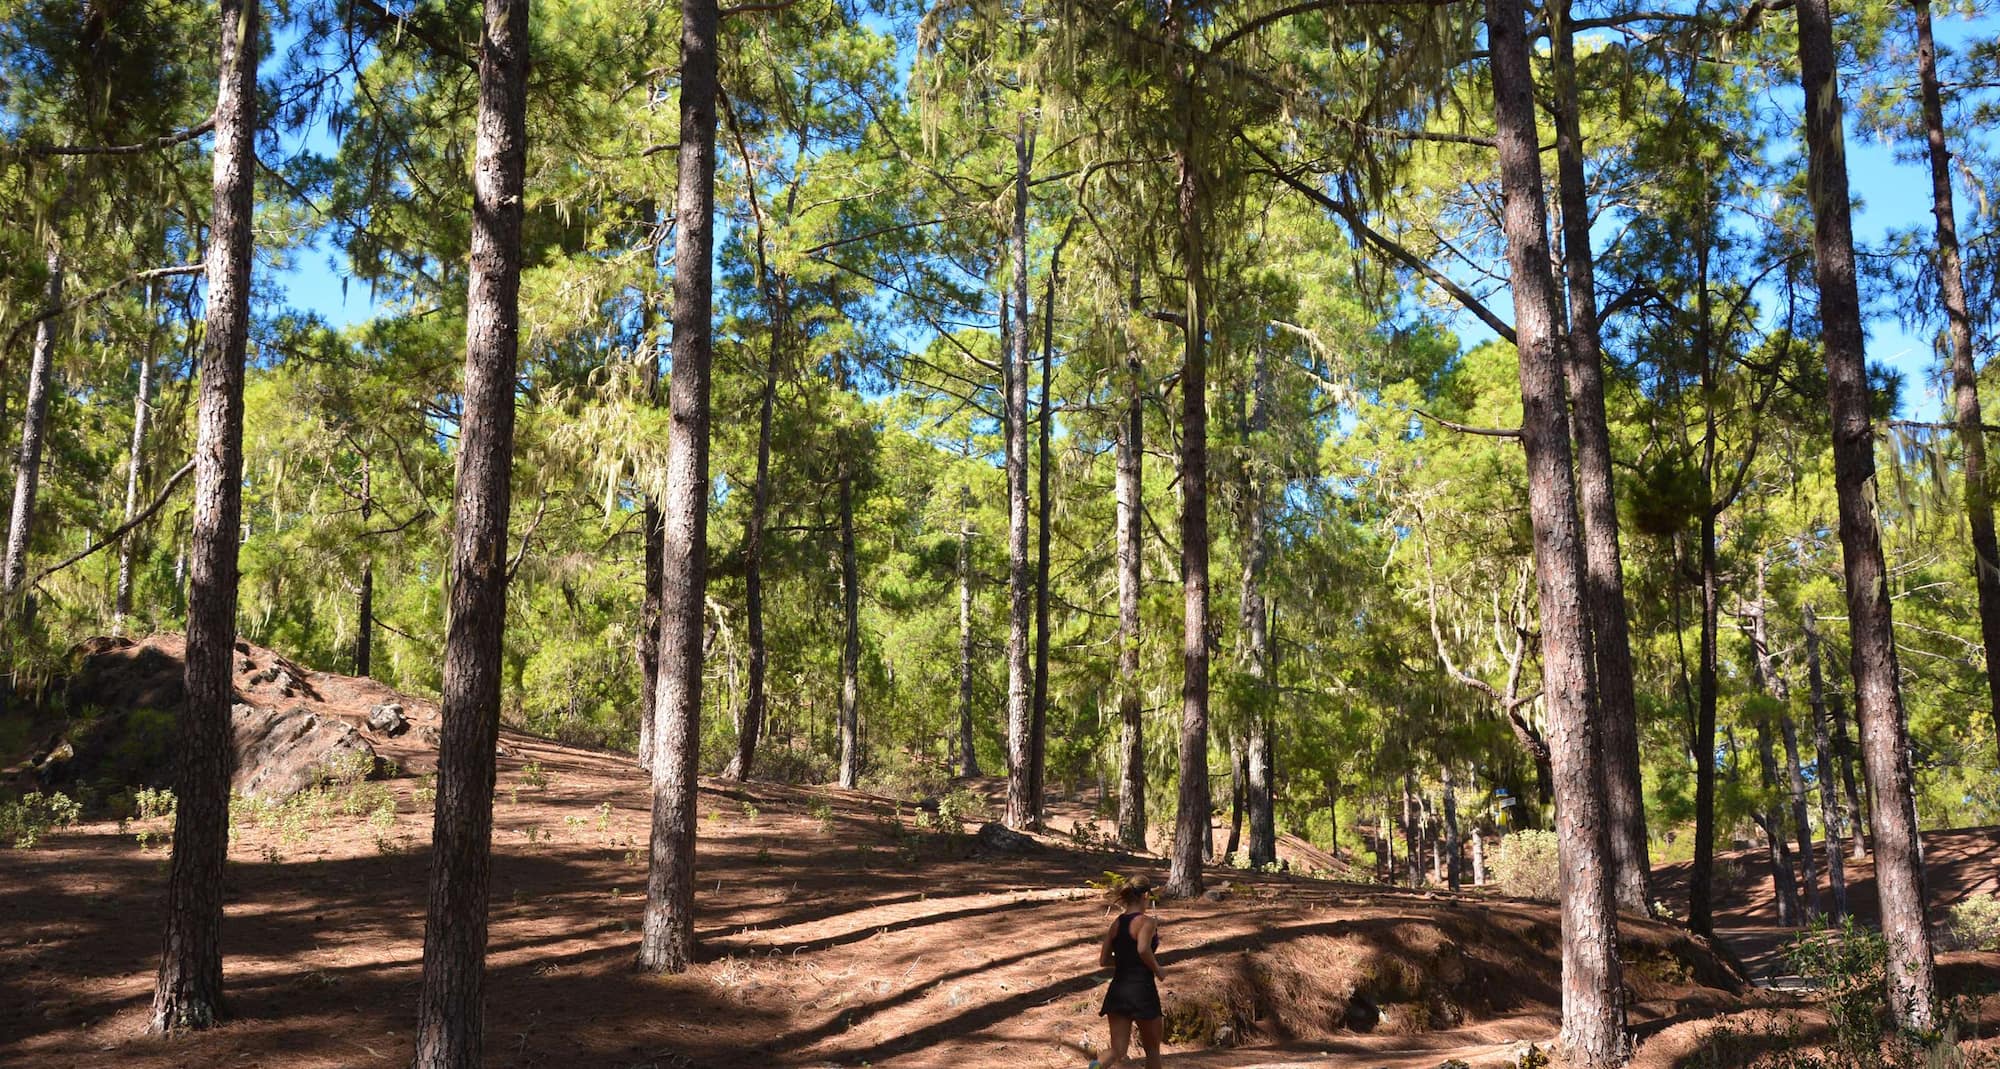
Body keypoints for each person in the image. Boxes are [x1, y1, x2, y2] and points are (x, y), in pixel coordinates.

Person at [1089, 875, 1165, 1069]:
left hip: (1118, 991)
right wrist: (1158, 970)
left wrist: (1125, 961)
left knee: (1117, 1050)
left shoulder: (1117, 923)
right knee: (1153, 1051)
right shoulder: (1147, 922)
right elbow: (1142, 949)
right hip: (1143, 991)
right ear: (1146, 895)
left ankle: (1096, 1066)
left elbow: (1103, 960)